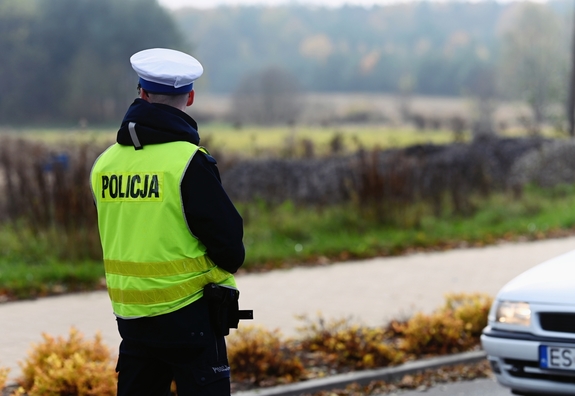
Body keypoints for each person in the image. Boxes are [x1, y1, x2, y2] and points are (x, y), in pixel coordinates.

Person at [90, 48, 245, 396]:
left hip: (131, 323)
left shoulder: (104, 164)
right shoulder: (190, 162)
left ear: (141, 93)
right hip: (190, 319)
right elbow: (231, 249)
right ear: (189, 97)